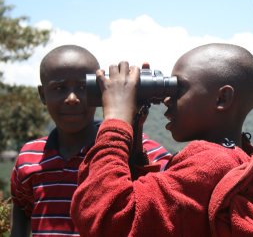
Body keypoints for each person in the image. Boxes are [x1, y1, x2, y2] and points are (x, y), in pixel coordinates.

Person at [70, 43, 253, 237]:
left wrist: (116, 119)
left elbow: (106, 220)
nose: (167, 99)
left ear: (222, 98)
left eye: (179, 88)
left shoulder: (210, 164)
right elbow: (144, 203)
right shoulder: (241, 160)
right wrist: (133, 120)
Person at [10, 45, 171, 237]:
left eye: (83, 87)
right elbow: (21, 215)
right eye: (59, 88)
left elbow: (172, 188)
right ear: (43, 95)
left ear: (100, 92)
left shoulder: (129, 148)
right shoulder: (30, 156)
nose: (72, 98)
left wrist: (133, 128)